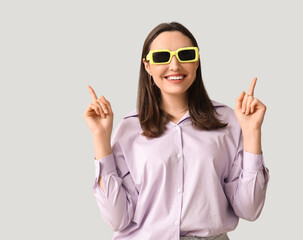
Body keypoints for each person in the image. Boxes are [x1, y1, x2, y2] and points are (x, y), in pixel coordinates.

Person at [83, 22, 270, 240]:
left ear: (197, 61)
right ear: (147, 65)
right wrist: (100, 138)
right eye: (162, 57)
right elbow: (117, 219)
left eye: (185, 55)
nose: (175, 65)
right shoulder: (129, 129)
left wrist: (253, 132)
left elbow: (249, 209)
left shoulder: (227, 121)